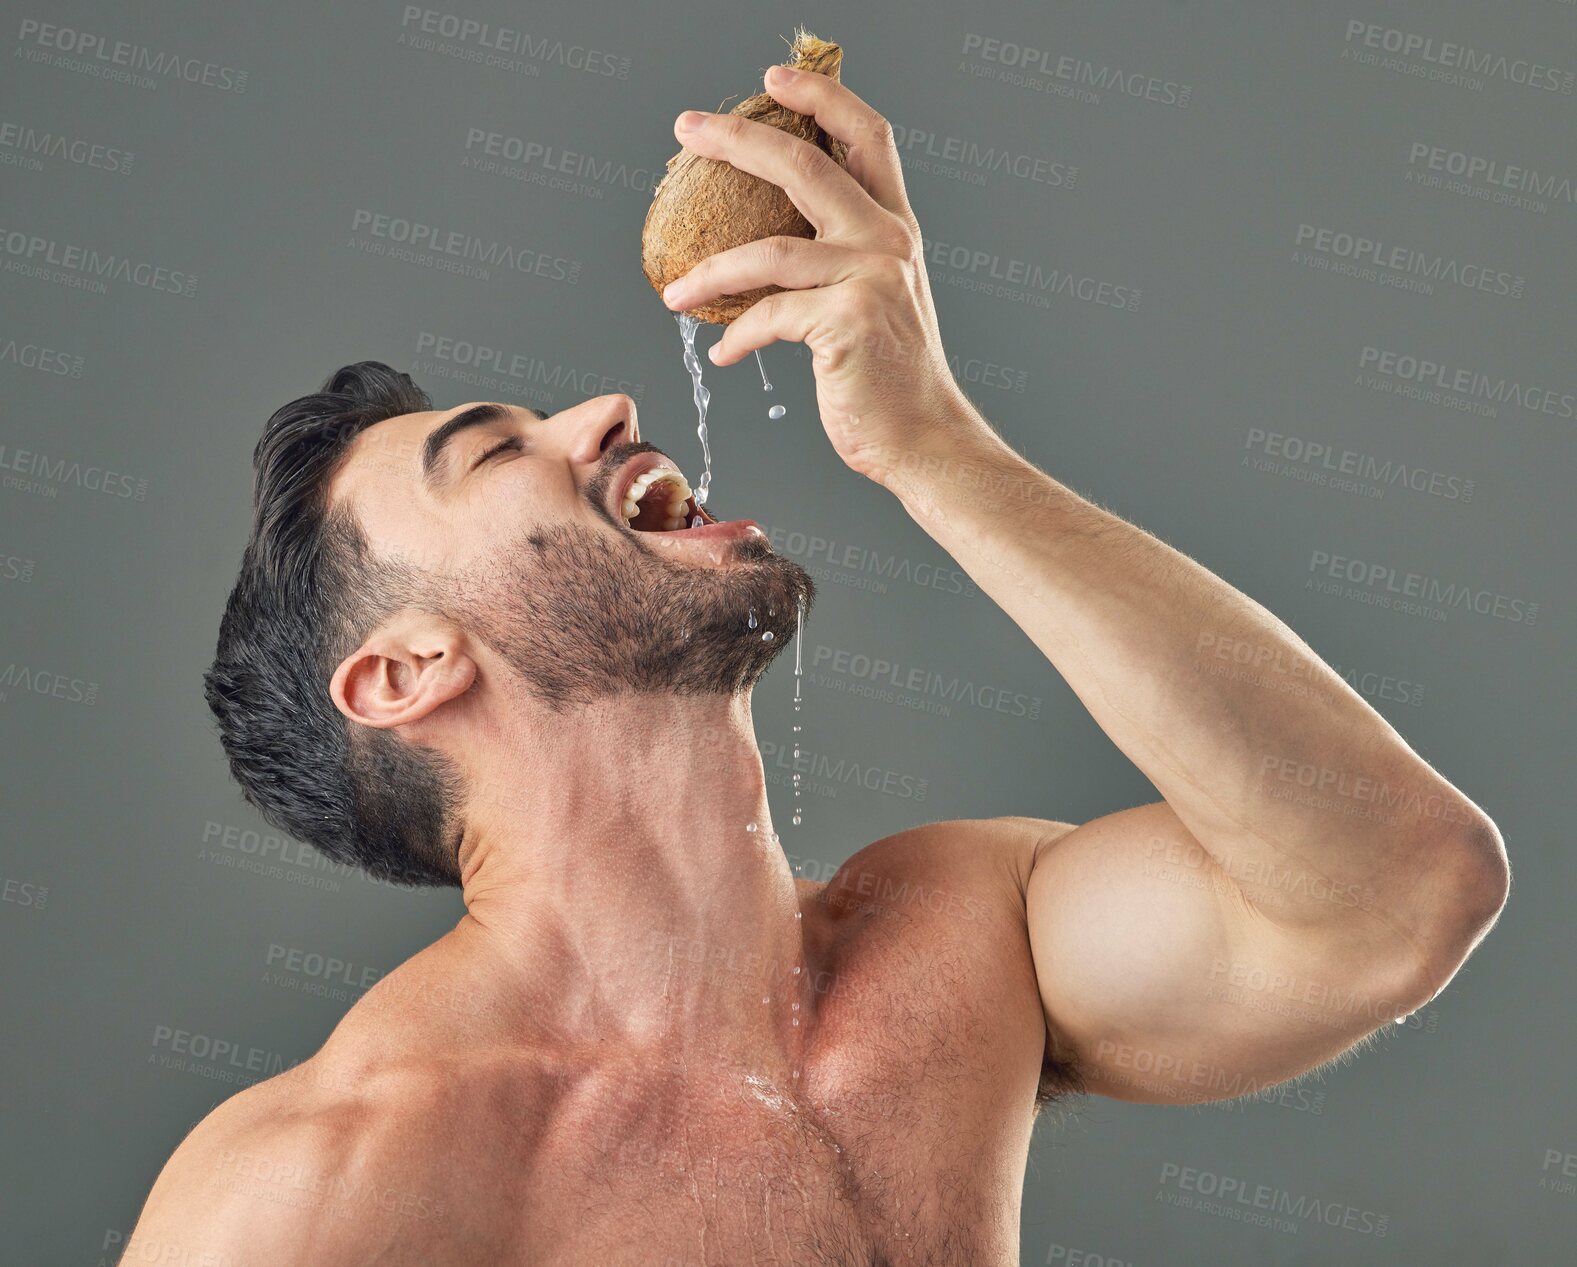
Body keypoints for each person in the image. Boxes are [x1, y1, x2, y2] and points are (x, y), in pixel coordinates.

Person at [123, 67, 1508, 1264]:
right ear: (405, 673)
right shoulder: (329, 1176)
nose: (603, 409)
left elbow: (1396, 887)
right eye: (495, 453)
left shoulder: (962, 941)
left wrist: (936, 447)